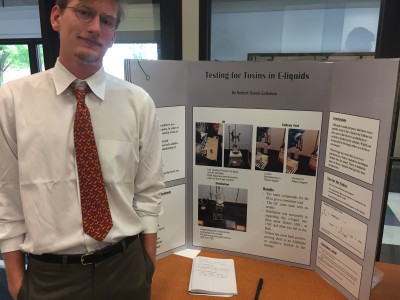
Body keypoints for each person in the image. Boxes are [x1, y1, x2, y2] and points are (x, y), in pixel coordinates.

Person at [0, 0, 164, 299]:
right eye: (85, 12)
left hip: (125, 270)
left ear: (113, 34)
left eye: (107, 20)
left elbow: (148, 193)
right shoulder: (11, 101)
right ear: (56, 16)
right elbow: (6, 197)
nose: (95, 28)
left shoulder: (138, 103)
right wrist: (15, 281)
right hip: (50, 279)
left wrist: (147, 265)